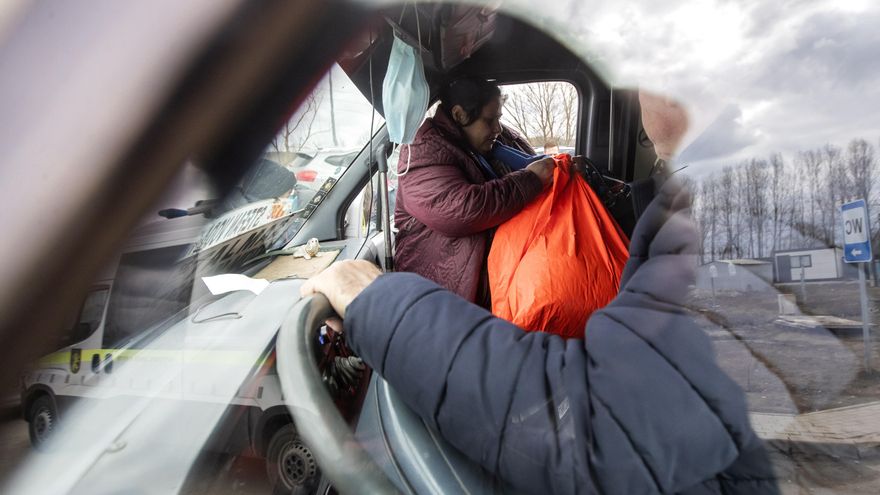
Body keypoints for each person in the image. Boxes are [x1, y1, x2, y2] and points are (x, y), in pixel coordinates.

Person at [301, 88, 778, 494]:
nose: (637, 96)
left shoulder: (707, 206)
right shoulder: (705, 193)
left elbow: (591, 415)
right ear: (461, 115)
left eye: (644, 81)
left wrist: (380, 304)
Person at [393, 77, 557, 306]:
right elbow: (463, 210)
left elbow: (537, 165)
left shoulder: (494, 138)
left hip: (501, 282)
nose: (497, 129)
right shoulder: (424, 150)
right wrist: (531, 179)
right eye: (490, 120)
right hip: (445, 298)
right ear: (459, 115)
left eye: (498, 118)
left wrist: (559, 167)